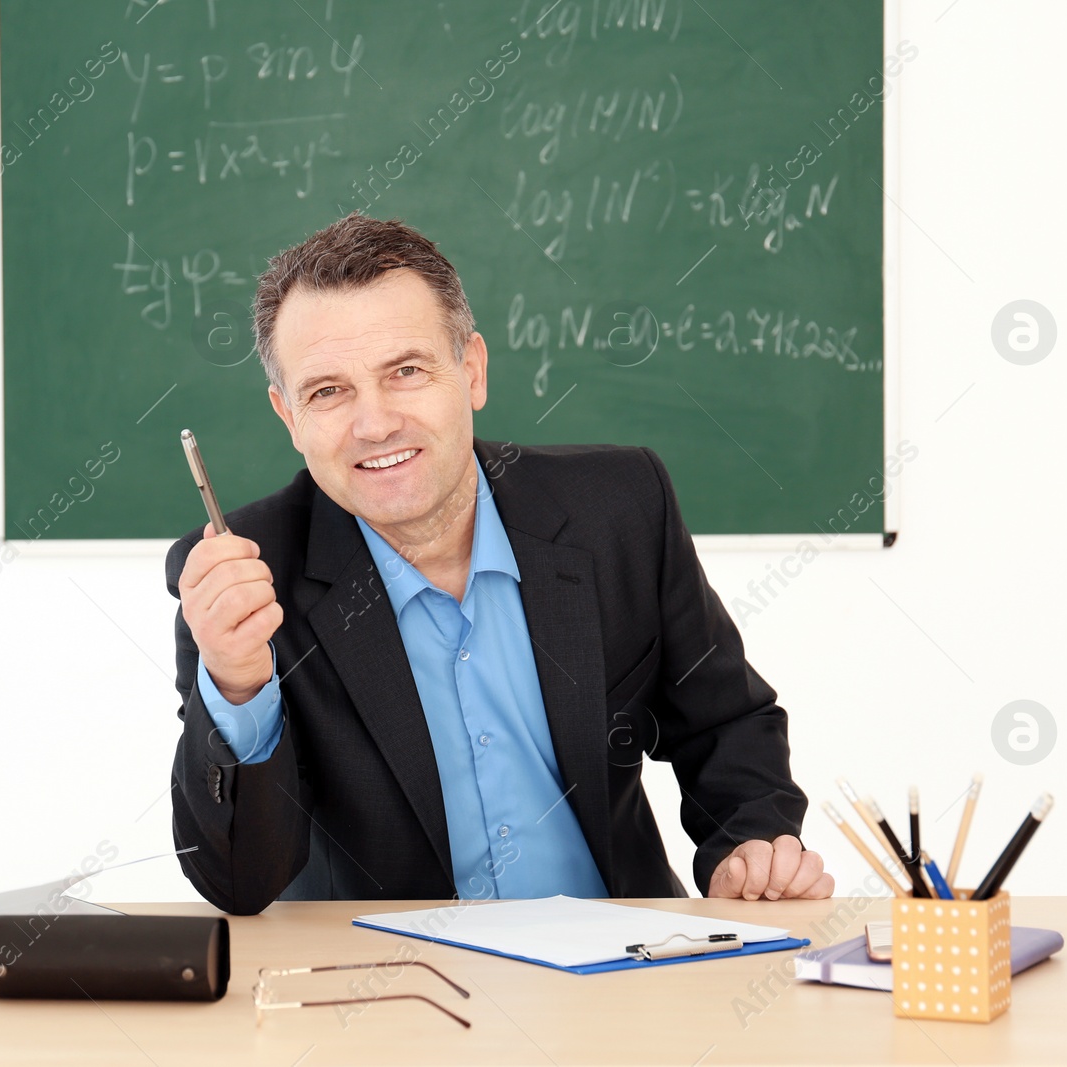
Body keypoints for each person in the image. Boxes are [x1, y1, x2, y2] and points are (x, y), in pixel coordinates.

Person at [168, 213, 833, 915]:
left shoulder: (621, 508)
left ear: (472, 370)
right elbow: (239, 881)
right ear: (288, 415)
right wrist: (238, 686)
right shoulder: (238, 576)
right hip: (387, 994)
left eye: (406, 371)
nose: (375, 422)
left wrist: (746, 845)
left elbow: (725, 722)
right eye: (328, 391)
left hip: (625, 969)